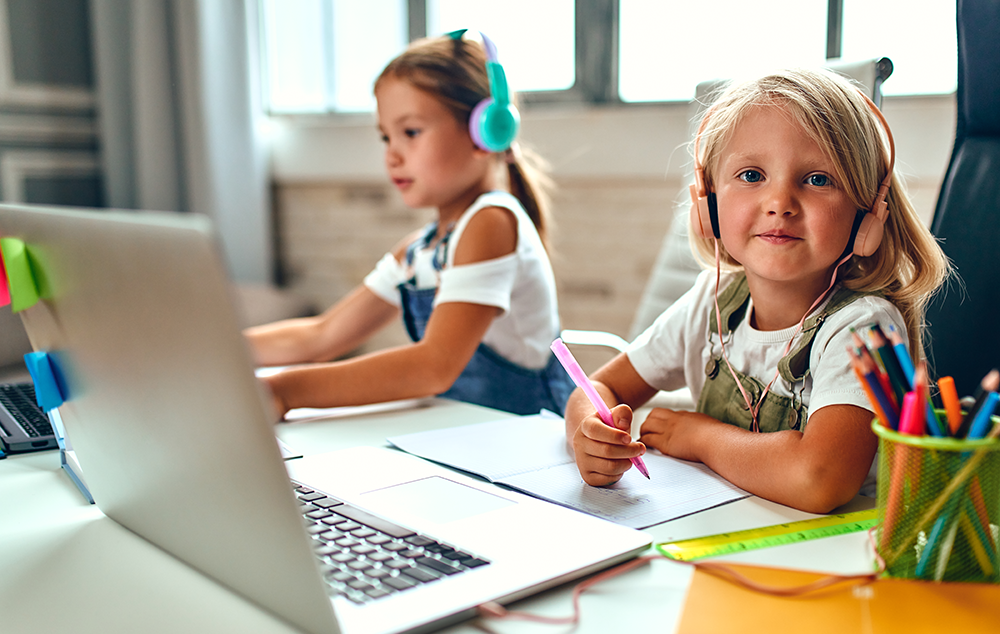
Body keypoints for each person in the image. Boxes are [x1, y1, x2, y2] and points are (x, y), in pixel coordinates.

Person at [565, 68, 950, 513]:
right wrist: (588, 433)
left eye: (818, 179)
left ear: (867, 216)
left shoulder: (861, 326)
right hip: (728, 535)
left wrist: (699, 437)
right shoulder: (708, 306)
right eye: (751, 175)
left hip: (831, 558)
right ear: (708, 204)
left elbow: (818, 479)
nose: (779, 202)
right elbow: (597, 386)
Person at [246, 30, 573, 419]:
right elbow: (322, 335)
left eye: (411, 132)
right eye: (386, 137)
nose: (392, 155)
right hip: (466, 430)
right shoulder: (421, 249)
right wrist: (212, 349)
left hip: (526, 435)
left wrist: (285, 390)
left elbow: (432, 367)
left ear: (485, 132)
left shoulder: (492, 223)